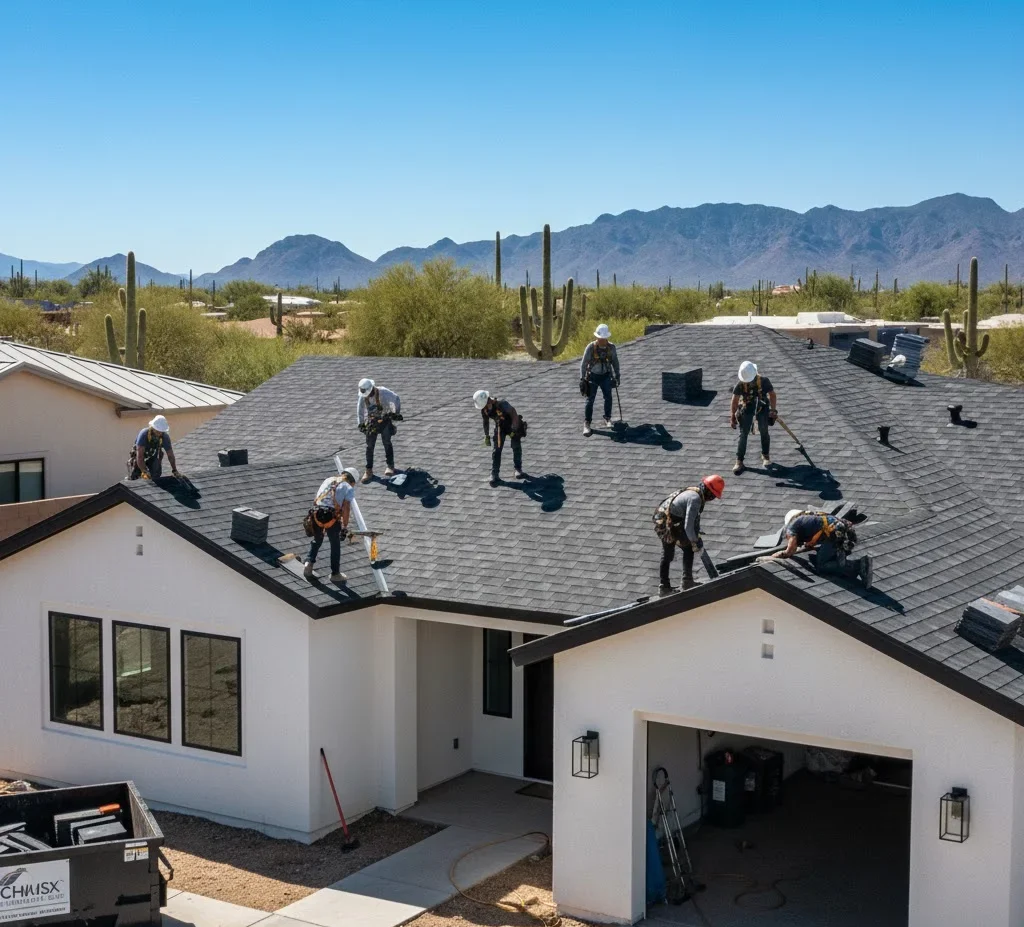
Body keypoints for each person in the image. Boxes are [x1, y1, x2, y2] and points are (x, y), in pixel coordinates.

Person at [653, 474, 725, 593]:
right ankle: (674, 584)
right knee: (681, 550)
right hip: (666, 521)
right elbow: (688, 525)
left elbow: (692, 520)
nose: (712, 498)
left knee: (676, 550)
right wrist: (695, 541)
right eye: (713, 495)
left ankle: (681, 582)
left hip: (669, 518)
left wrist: (696, 533)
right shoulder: (695, 499)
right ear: (708, 491)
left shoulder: (696, 492)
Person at [772, 509, 873, 589]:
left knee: (822, 566)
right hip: (847, 535)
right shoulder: (810, 516)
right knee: (825, 557)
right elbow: (818, 532)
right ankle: (840, 558)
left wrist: (780, 554)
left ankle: (858, 565)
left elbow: (791, 549)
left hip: (835, 535)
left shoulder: (792, 526)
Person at [303, 467, 360, 582]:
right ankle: (335, 574)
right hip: (331, 517)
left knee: (317, 540)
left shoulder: (328, 480)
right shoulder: (348, 487)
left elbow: (318, 498)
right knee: (335, 544)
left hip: (316, 513)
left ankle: (308, 564)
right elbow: (346, 508)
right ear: (352, 481)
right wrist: (344, 526)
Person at [730, 361, 777, 474]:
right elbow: (735, 400)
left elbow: (772, 395)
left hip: (762, 408)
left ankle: (765, 456)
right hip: (747, 408)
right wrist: (732, 416)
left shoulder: (764, 381)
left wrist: (773, 410)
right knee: (743, 434)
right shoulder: (740, 384)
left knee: (764, 430)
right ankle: (739, 461)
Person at [474, 389, 525, 486]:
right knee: (496, 450)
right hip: (500, 427)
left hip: (511, 425)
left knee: (516, 446)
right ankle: (494, 474)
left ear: (488, 400)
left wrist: (514, 429)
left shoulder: (501, 403)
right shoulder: (484, 410)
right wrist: (487, 436)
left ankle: (518, 469)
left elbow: (513, 412)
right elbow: (486, 422)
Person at [357, 378, 402, 483]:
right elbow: (360, 412)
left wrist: (394, 417)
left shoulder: (384, 392)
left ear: (372, 388)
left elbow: (397, 399)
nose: (366, 396)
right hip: (372, 422)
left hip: (385, 420)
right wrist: (362, 426)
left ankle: (390, 466)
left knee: (386, 442)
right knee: (369, 446)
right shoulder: (362, 397)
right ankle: (368, 471)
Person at [580, 324, 621, 436]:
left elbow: (615, 362)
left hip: (606, 376)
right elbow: (583, 364)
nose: (601, 340)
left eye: (603, 338)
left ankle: (607, 418)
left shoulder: (611, 348)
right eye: (600, 338)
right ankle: (587, 423)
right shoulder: (590, 347)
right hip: (592, 376)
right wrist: (582, 378)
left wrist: (618, 376)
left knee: (608, 397)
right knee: (590, 400)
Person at [129, 415, 179, 480]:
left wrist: (174, 470)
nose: (159, 433)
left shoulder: (164, 437)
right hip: (139, 459)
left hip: (152, 457)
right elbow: (140, 456)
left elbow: (170, 455)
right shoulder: (144, 434)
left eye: (161, 432)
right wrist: (144, 471)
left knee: (156, 471)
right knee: (135, 478)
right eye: (157, 431)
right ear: (153, 428)